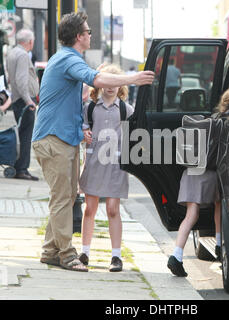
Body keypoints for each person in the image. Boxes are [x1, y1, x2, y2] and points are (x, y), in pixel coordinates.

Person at [31, 12, 154, 272]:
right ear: (79, 36)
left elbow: (82, 91)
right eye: (88, 32)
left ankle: (51, 250)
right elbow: (97, 81)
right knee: (63, 198)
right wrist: (133, 78)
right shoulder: (67, 59)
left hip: (63, 138)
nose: (90, 35)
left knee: (64, 196)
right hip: (54, 139)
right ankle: (66, 254)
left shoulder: (67, 59)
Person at [167, 86, 229, 277]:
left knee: (191, 215)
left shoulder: (212, 120)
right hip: (210, 175)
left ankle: (177, 255)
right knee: (219, 205)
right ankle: (219, 245)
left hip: (190, 172)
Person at [78, 64, 133, 272]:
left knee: (112, 209)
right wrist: (84, 134)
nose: (110, 87)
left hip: (116, 166)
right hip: (93, 163)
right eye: (106, 82)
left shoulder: (126, 109)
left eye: (114, 83)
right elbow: (82, 128)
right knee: (90, 209)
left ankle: (116, 256)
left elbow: (135, 134)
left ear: (120, 86)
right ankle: (84, 252)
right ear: (100, 84)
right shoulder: (90, 107)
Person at [7, 29, 39, 181]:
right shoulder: (23, 55)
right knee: (26, 136)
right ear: (30, 42)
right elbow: (21, 79)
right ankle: (22, 169)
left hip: (17, 99)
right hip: (24, 100)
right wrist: (29, 100)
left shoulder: (13, 53)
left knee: (22, 135)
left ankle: (19, 166)